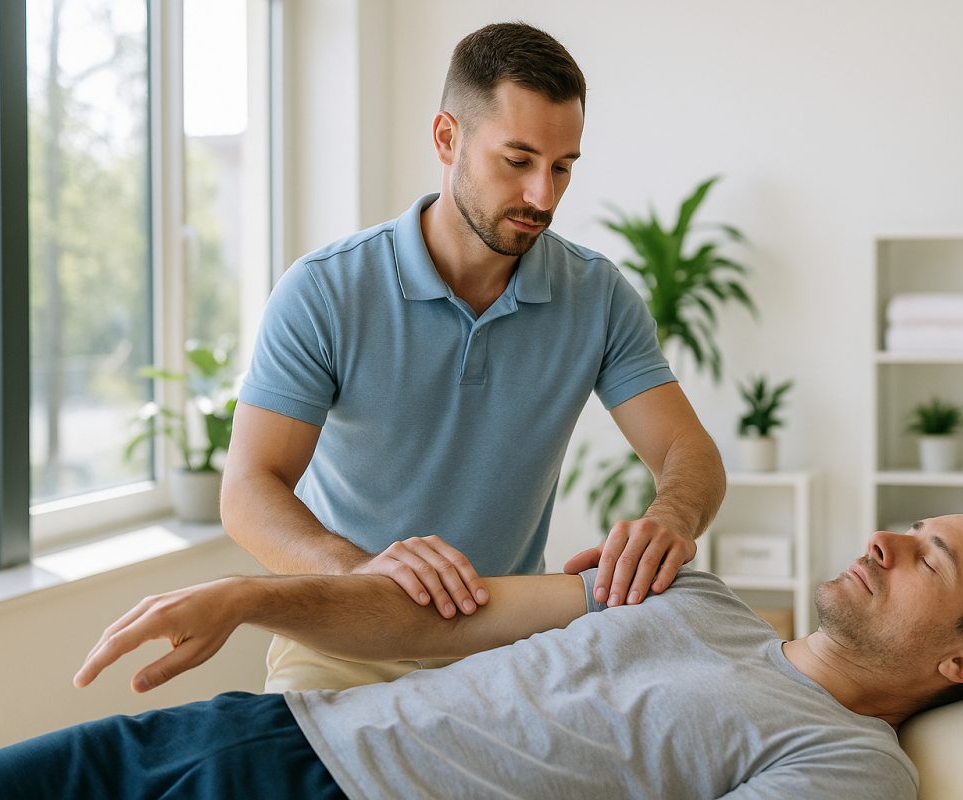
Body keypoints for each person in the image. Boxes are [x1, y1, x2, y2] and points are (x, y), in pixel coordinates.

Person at [220, 21, 726, 692]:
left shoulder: (597, 296)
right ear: (446, 138)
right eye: (517, 161)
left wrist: (670, 520)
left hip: (505, 647)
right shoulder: (325, 291)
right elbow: (249, 489)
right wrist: (357, 573)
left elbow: (689, 451)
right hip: (342, 641)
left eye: (562, 167)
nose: (543, 196)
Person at [0, 500, 963, 799]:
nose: (884, 540)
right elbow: (429, 620)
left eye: (930, 557)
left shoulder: (850, 764)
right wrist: (244, 597)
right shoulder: (691, 591)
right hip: (266, 730)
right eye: (910, 527)